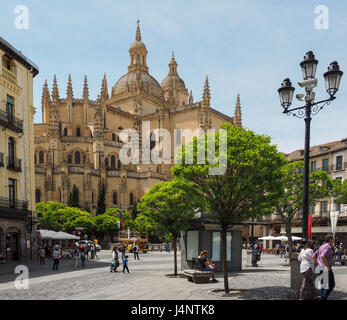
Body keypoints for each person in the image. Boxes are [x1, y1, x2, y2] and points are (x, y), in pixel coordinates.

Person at [313, 234, 335, 300]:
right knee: (331, 284)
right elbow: (322, 256)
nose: (333, 241)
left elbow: (314, 256)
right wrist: (327, 266)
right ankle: (323, 297)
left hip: (320, 267)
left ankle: (322, 297)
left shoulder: (321, 246)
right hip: (325, 267)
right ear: (330, 240)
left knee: (323, 284)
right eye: (333, 239)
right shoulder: (328, 246)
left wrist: (317, 263)